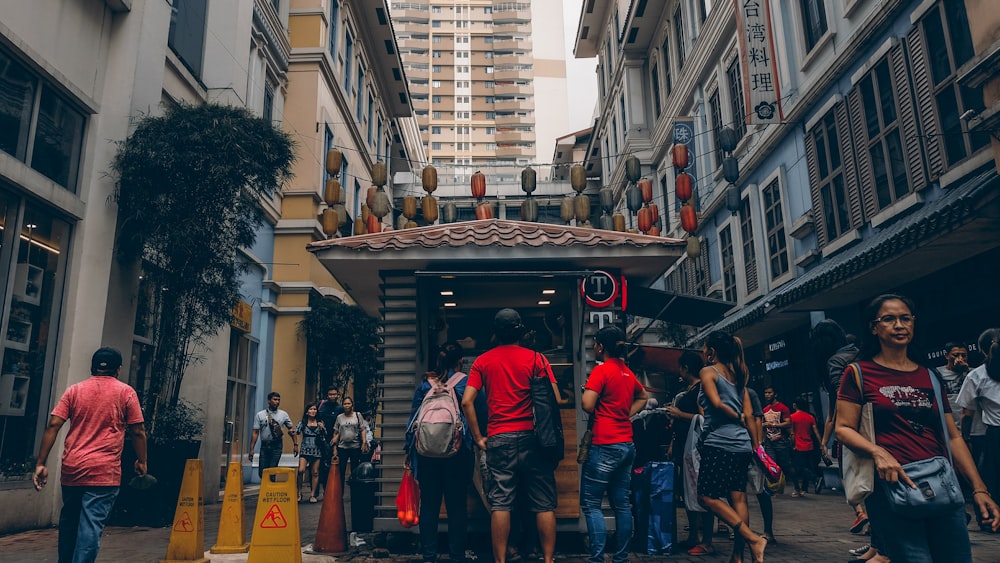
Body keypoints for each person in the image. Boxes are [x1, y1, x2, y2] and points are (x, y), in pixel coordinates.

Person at [836, 294, 1000, 562]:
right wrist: (878, 453)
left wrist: (979, 489)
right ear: (874, 327)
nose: (899, 325)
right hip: (892, 488)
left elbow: (954, 436)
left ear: (913, 324)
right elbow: (843, 428)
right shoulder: (858, 373)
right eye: (888, 319)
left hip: (942, 485)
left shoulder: (929, 375)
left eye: (905, 318)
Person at [461, 308, 563, 563]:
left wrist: (478, 437)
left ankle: (501, 561)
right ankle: (549, 560)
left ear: (495, 333)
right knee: (543, 503)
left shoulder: (482, 361)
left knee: (501, 503)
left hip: (499, 439)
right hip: (533, 438)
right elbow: (556, 399)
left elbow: (467, 402)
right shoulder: (538, 359)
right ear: (520, 331)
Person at [32, 347, 147, 563]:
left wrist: (41, 463)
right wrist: (142, 461)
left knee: (70, 524)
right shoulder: (126, 392)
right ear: (118, 369)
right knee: (90, 527)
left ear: (92, 368)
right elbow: (138, 431)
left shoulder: (74, 391)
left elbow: (53, 425)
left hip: (73, 469)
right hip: (103, 473)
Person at [696, 331, 768, 563]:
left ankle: (753, 539)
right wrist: (755, 445)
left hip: (720, 443)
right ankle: (738, 557)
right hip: (742, 446)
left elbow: (715, 404)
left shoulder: (708, 371)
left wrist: (734, 416)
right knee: (738, 499)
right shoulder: (738, 377)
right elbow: (749, 414)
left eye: (704, 347)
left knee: (707, 497)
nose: (702, 351)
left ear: (712, 352)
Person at [580, 326, 648, 563]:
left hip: (604, 444)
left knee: (591, 504)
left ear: (600, 346)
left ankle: (597, 558)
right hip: (626, 444)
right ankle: (621, 558)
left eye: (595, 344)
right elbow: (644, 397)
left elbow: (587, 404)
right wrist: (624, 414)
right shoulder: (627, 373)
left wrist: (592, 396)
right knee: (621, 504)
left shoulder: (602, 371)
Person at [407, 341, 475, 563]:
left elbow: (413, 422)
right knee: (456, 507)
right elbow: (476, 417)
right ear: (460, 361)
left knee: (429, 505)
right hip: (456, 455)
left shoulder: (425, 385)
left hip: (426, 455)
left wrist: (409, 453)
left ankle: (429, 556)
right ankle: (456, 556)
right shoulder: (465, 383)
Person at [666, 350, 717, 555]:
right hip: (684, 447)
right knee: (688, 491)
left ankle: (707, 539)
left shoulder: (700, 389)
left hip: (697, 449)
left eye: (681, 367)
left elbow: (703, 418)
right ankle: (693, 535)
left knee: (702, 491)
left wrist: (679, 413)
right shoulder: (688, 389)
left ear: (686, 368)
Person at [956, 328, 1000, 529]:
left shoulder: (977, 375)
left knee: (991, 479)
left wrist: (964, 439)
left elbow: (966, 414)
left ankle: (991, 520)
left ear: (982, 351)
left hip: (995, 436)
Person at [249, 392, 297, 478]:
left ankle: (270, 490)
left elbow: (291, 429)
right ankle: (265, 489)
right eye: (275, 399)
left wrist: (295, 444)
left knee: (272, 470)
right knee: (262, 472)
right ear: (269, 401)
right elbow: (255, 432)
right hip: (265, 445)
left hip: (277, 445)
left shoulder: (283, 414)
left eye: (278, 400)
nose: (277, 402)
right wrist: (252, 449)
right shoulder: (260, 415)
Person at [761, 387, 794, 494]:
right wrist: (764, 425)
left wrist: (774, 424)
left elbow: (788, 423)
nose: (767, 395)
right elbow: (761, 424)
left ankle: (797, 487)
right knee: (771, 465)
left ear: (775, 394)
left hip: (781, 440)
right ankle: (773, 489)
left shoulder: (782, 408)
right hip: (770, 441)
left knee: (786, 465)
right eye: (765, 393)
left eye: (769, 393)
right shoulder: (765, 410)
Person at [788, 396, 822, 498]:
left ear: (795, 405)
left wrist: (792, 445)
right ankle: (804, 488)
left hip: (798, 445)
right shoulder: (810, 417)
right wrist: (821, 444)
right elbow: (816, 433)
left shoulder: (792, 417)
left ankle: (815, 478)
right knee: (806, 466)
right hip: (809, 445)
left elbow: (792, 433)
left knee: (798, 467)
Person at [331, 396, 370, 484]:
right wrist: (334, 449)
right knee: (341, 472)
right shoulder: (339, 417)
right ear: (342, 405)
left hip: (355, 447)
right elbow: (336, 432)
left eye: (348, 403)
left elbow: (362, 429)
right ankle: (340, 495)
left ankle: (354, 494)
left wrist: (364, 442)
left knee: (354, 471)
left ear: (352, 405)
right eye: (345, 404)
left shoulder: (358, 415)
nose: (347, 405)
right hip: (342, 447)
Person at [296, 402, 327, 503]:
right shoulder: (303, 423)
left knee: (315, 472)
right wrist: (295, 443)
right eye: (311, 409)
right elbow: (296, 432)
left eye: (314, 409)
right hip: (305, 448)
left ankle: (313, 495)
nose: (313, 411)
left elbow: (325, 435)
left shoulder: (320, 422)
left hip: (316, 449)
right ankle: (299, 492)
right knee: (301, 470)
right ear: (307, 412)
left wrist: (322, 428)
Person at [939, 342, 971, 415]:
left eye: (964, 355)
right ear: (947, 356)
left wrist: (967, 372)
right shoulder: (938, 373)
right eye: (956, 355)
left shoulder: (974, 373)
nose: (960, 359)